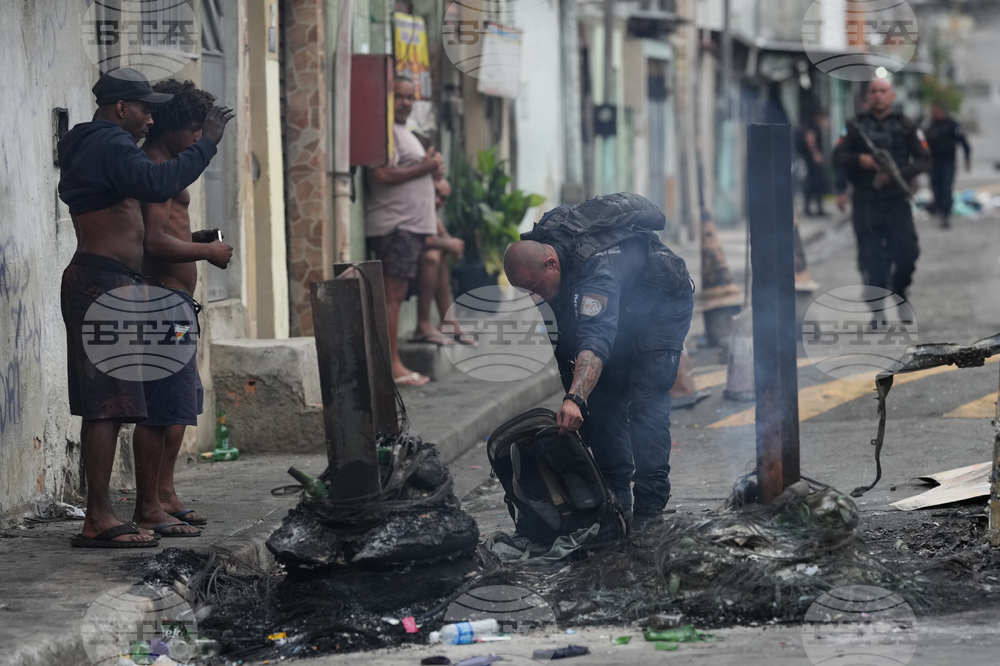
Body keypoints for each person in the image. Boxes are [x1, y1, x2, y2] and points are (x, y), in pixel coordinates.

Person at [58, 68, 232, 547]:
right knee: (107, 405)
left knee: (116, 404)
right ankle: (97, 518)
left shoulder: (102, 146)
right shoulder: (109, 144)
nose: (149, 119)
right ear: (121, 108)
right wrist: (209, 142)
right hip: (101, 285)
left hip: (114, 284)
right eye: (143, 109)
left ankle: (116, 512)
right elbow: (159, 183)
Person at [503, 194, 695, 530]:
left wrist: (575, 398)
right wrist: (580, 397)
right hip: (623, 306)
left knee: (645, 403)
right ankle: (616, 499)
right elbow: (567, 347)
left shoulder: (598, 269)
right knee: (604, 401)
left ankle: (650, 509)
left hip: (661, 306)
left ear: (551, 264)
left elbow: (595, 337)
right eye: (526, 293)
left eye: (535, 288)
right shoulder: (549, 262)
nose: (534, 298)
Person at [131, 80, 234, 538]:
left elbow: (161, 235)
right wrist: (207, 254)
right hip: (160, 305)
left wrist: (195, 241)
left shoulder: (168, 167)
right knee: (160, 410)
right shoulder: (156, 169)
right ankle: (149, 504)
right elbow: (152, 243)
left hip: (175, 305)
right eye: (193, 129)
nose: (198, 139)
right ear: (170, 126)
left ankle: (166, 494)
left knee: (178, 408)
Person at [365, 74, 444, 386]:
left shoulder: (403, 132)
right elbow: (381, 175)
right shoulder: (383, 131)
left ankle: (395, 362)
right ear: (385, 98)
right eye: (399, 96)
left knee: (396, 294)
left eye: (410, 97)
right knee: (392, 296)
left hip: (409, 227)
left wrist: (431, 169)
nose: (406, 103)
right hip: (396, 226)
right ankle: (393, 366)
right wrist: (424, 167)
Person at [833, 78, 931, 303]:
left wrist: (901, 173)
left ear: (892, 96)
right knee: (870, 259)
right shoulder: (854, 126)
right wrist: (861, 160)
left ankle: (898, 287)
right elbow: (837, 157)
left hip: (896, 199)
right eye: (874, 91)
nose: (878, 95)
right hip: (866, 200)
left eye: (883, 91)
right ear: (868, 97)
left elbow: (924, 159)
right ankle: (876, 309)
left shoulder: (906, 125)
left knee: (908, 253)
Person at [410, 180, 475, 346]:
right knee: (433, 256)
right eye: (435, 193)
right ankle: (424, 324)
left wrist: (448, 243)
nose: (437, 200)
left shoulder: (431, 215)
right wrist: (446, 243)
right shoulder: (412, 206)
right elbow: (414, 240)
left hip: (416, 267)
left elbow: (446, 239)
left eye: (443, 198)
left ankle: (448, 321)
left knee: (439, 253)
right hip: (399, 266)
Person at [925, 101, 972, 229]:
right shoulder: (929, 126)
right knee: (935, 188)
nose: (932, 114)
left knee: (946, 187)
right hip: (933, 162)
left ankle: (945, 214)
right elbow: (923, 143)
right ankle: (939, 210)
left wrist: (967, 160)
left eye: (935, 111)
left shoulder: (953, 125)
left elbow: (964, 143)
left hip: (948, 161)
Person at [797, 108, 831, 216]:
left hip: (811, 159)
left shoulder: (811, 125)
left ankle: (813, 208)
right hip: (812, 160)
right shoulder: (813, 126)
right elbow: (810, 139)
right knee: (815, 184)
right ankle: (814, 209)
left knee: (814, 184)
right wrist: (816, 154)